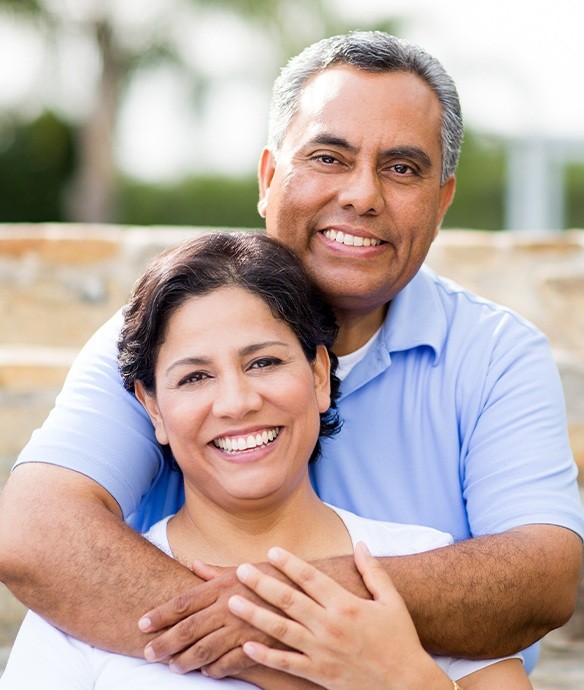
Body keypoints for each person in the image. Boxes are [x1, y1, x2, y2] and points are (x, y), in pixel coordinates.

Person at [0, 30, 582, 684]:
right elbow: (35, 532)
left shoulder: (497, 356)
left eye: (401, 168)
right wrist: (290, 651)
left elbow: (541, 576)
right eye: (329, 157)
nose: (362, 195)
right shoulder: (162, 333)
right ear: (270, 177)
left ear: (442, 200)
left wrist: (289, 618)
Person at [0, 232, 532, 689]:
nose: (236, 402)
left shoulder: (423, 565)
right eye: (195, 377)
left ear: (320, 375)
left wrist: (405, 679)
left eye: (264, 362)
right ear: (153, 408)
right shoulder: (82, 604)